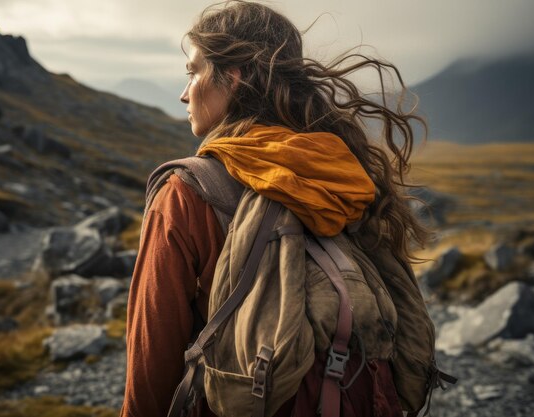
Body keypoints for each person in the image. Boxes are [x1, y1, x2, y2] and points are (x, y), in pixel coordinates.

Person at [120, 1, 428, 416]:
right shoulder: (339, 173)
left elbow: (151, 363)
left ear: (232, 76)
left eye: (193, 72)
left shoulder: (185, 194)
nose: (184, 92)